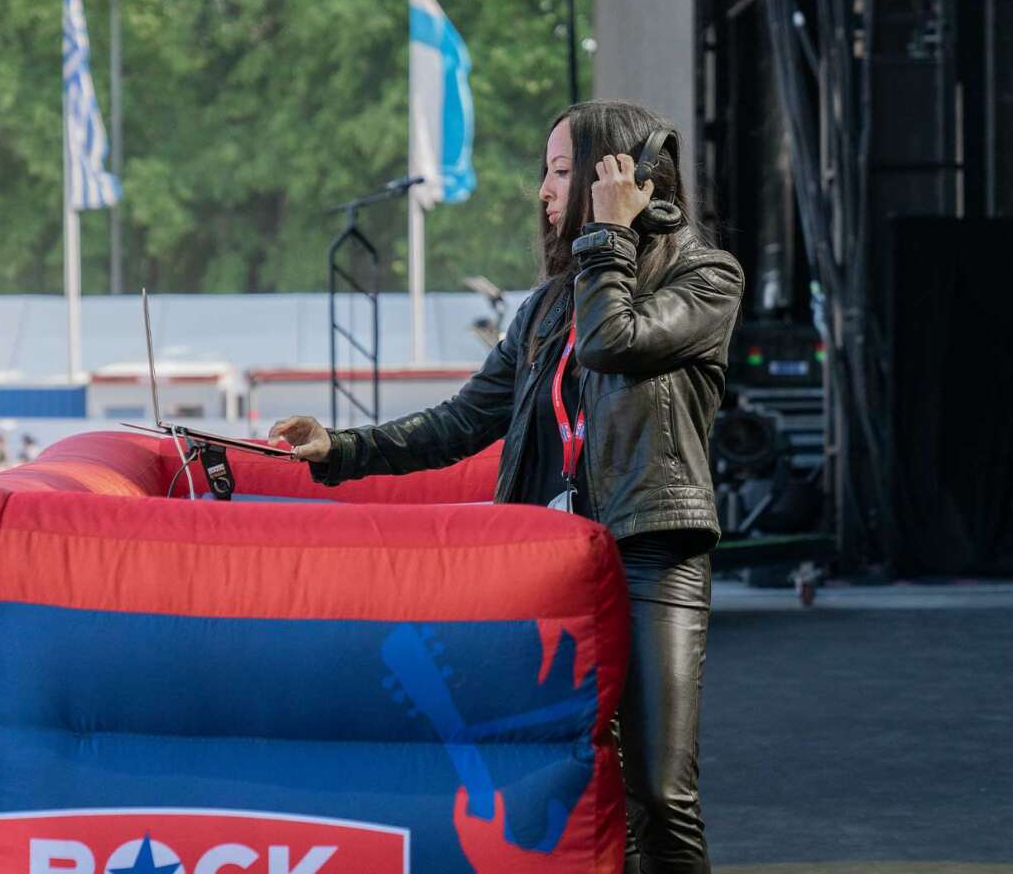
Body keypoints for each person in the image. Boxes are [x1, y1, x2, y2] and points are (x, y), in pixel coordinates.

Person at [269, 100, 743, 873]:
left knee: (658, 790)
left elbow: (613, 342)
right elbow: (460, 422)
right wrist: (342, 447)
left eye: (562, 172)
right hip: (555, 565)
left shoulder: (706, 274)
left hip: (651, 554)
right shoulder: (548, 308)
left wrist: (610, 238)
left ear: (618, 178)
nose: (544, 192)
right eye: (546, 174)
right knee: (578, 783)